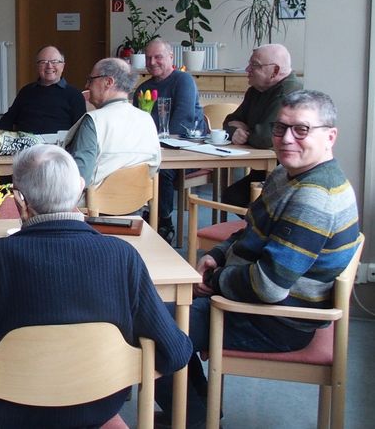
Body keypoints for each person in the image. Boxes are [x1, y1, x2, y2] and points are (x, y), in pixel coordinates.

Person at [0, 144, 193, 428]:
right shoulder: (123, 256)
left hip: (8, 413)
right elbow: (175, 351)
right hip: (95, 410)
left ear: (19, 201)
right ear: (79, 190)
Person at [155, 90, 360, 429]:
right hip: (259, 299)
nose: (286, 139)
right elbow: (252, 229)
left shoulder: (315, 197)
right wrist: (219, 254)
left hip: (277, 321)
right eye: (280, 128)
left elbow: (267, 286)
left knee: (154, 322)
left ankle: (191, 419)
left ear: (330, 136)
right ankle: (198, 414)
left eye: (301, 130)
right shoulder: (288, 174)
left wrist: (216, 281)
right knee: (157, 302)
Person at [134, 39, 206, 241]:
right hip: (154, 150)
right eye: (148, 58)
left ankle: (163, 220)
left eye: (158, 57)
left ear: (171, 58)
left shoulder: (183, 80)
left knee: (161, 169)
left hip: (187, 150)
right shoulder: (143, 88)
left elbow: (181, 122)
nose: (152, 62)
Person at [221, 43, 303, 207]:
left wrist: (245, 130)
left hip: (284, 175)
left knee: (236, 197)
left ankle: (262, 230)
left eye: (254, 65)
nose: (247, 69)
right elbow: (229, 121)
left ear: (275, 71)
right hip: (261, 171)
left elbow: (266, 137)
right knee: (231, 196)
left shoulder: (290, 92)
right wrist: (235, 130)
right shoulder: (255, 91)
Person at [65, 57, 160, 191]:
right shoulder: (147, 119)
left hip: (94, 208)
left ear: (108, 82)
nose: (87, 86)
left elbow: (80, 179)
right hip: (137, 204)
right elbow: (155, 167)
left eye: (91, 80)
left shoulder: (94, 121)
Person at [0, 45, 87, 134]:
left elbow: (81, 131)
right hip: (26, 146)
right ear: (37, 66)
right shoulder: (26, 91)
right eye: (43, 62)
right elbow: (7, 120)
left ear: (62, 66)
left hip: (56, 146)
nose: (49, 66)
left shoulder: (74, 95)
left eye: (54, 61)